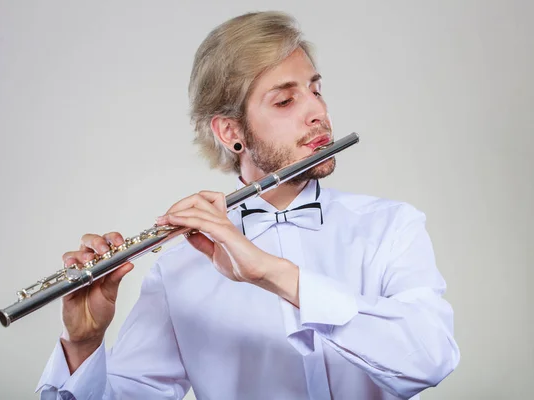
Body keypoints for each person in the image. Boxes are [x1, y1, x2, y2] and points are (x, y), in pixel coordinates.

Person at [36, 11, 460, 400]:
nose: (319, 112)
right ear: (230, 130)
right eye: (285, 100)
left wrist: (270, 272)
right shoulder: (178, 271)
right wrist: (83, 345)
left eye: (316, 90)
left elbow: (430, 356)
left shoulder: (389, 227)